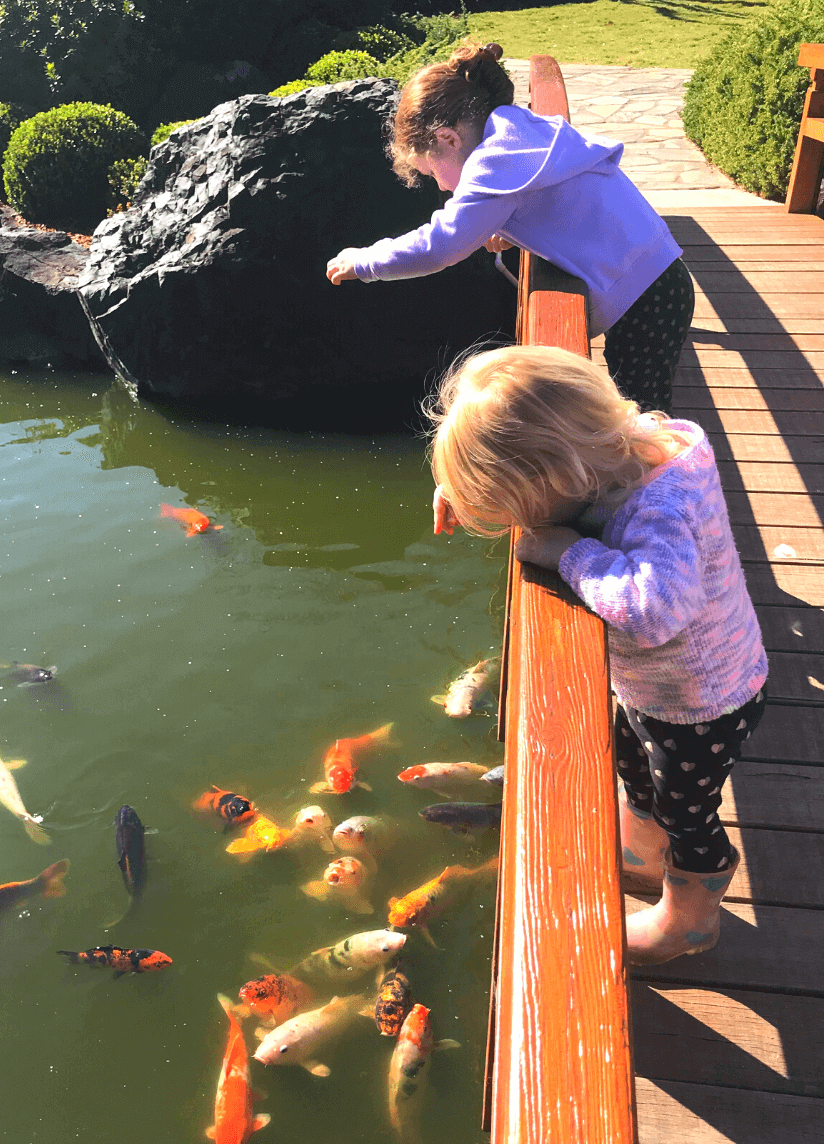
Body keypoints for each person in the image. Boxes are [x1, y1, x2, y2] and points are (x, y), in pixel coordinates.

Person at [428, 344, 767, 965]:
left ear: (559, 480)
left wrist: (568, 555)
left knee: (688, 812)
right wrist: (461, 486)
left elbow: (657, 608)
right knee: (636, 764)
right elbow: (534, 437)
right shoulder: (625, 442)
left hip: (703, 702)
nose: (514, 523)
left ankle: (691, 918)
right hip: (658, 690)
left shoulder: (659, 511)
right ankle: (640, 854)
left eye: (514, 505)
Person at [326, 42, 695, 414]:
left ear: (447, 138)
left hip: (645, 301)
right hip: (659, 279)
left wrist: (366, 262)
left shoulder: (493, 165)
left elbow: (440, 246)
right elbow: (548, 200)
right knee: (637, 408)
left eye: (433, 172)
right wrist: (508, 225)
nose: (440, 186)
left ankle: (676, 471)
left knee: (643, 419)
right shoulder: (517, 132)